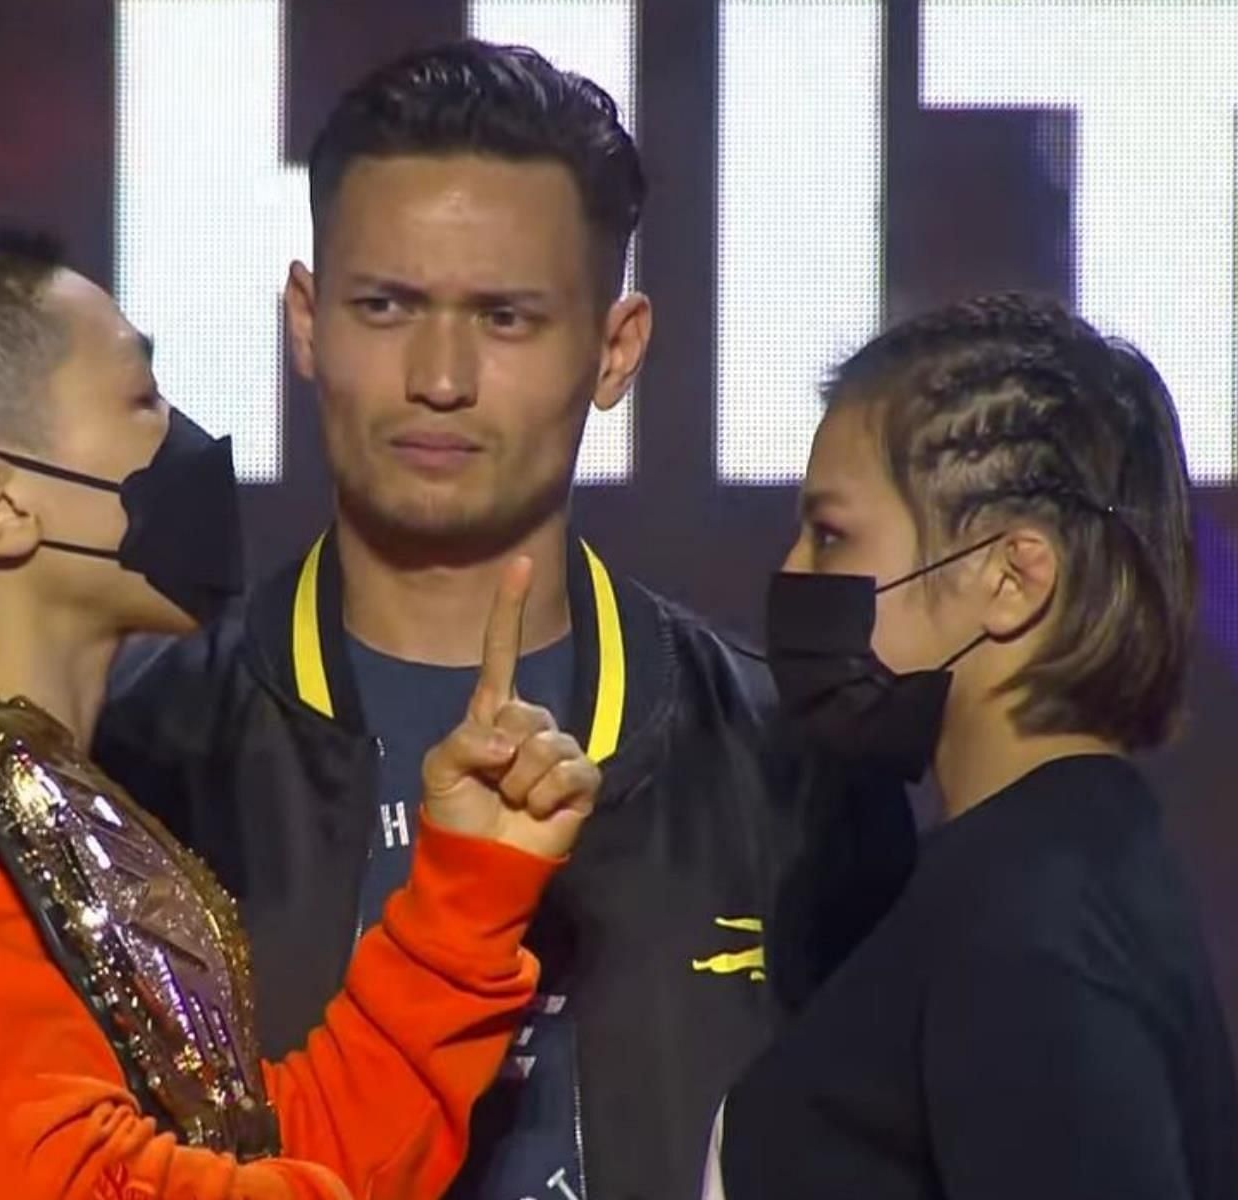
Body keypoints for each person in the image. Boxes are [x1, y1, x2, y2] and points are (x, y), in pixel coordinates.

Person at [0, 216, 603, 1200]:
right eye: (141, 399)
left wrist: (465, 898)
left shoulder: (32, 814)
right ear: (1, 504)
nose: (185, 438)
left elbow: (274, 1159)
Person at [94, 40, 871, 1200]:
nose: (441, 377)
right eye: (386, 306)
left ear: (616, 350)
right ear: (307, 322)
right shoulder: (144, 764)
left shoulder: (784, 765)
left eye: (506, 318)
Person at [708, 293, 1238, 1199]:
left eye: (832, 534)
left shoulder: (1032, 915)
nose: (793, 574)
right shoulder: (1056, 872)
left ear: (1010, 579)